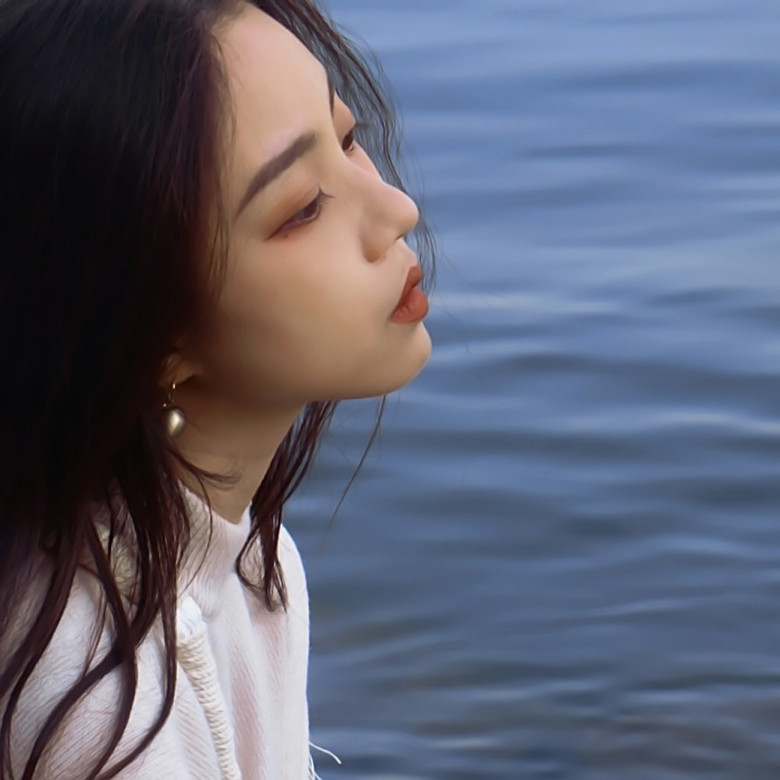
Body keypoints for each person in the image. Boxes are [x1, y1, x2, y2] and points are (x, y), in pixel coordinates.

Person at [0, 0, 434, 776]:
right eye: (303, 209)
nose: (397, 210)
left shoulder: (249, 561)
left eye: (347, 139)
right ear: (149, 330)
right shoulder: (100, 707)